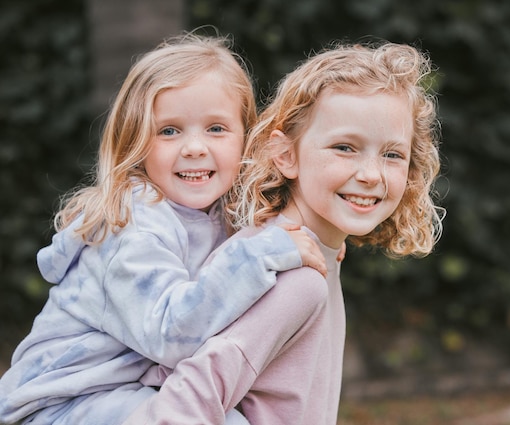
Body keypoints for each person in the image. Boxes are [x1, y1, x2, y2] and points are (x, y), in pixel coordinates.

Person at [0, 33, 328, 425]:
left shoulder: (221, 212)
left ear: (246, 139)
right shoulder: (132, 225)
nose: (194, 147)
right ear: (135, 143)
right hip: (62, 402)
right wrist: (265, 252)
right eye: (169, 131)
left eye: (216, 129)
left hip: (128, 392)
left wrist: (309, 235)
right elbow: (174, 336)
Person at [122, 40, 444, 425]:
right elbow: (186, 399)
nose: (371, 174)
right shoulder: (291, 275)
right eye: (345, 147)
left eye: (392, 154)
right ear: (286, 154)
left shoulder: (310, 251)